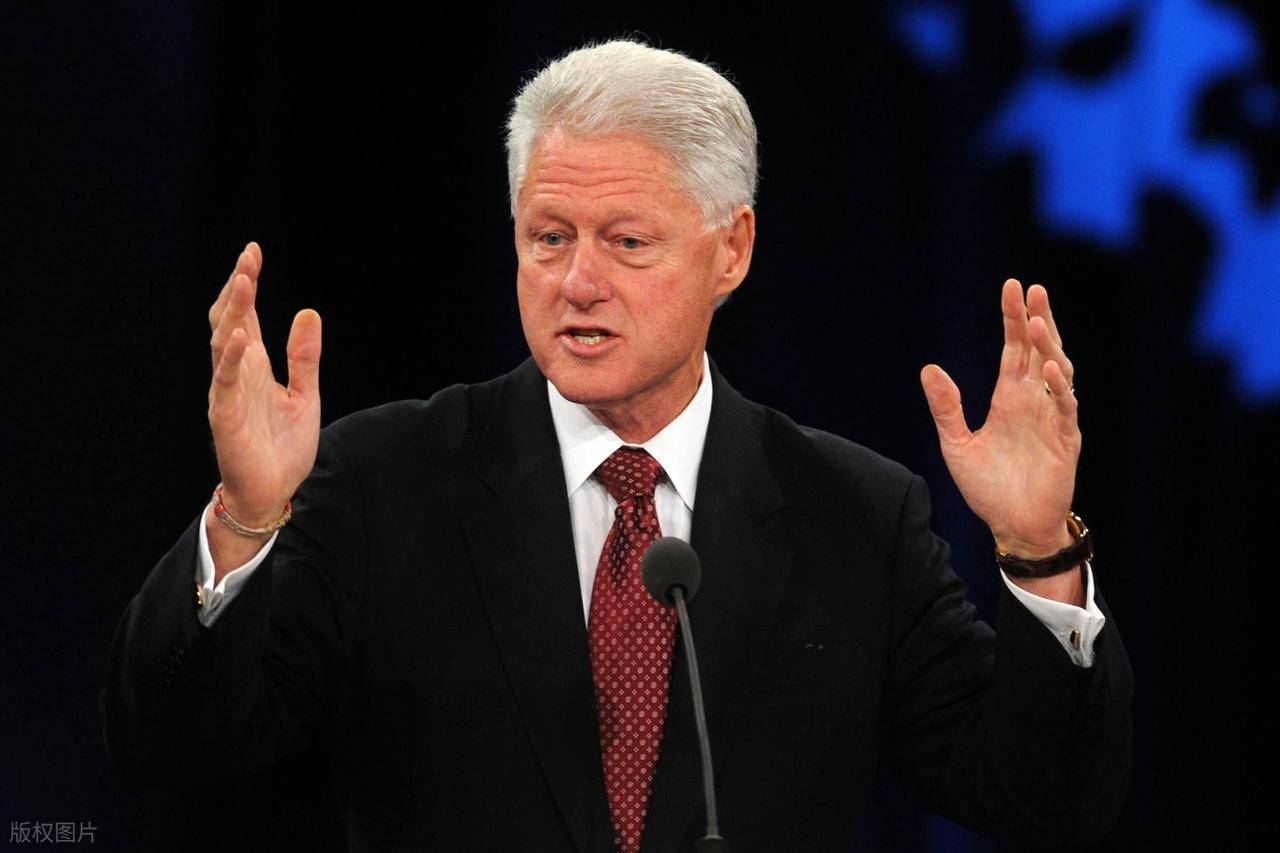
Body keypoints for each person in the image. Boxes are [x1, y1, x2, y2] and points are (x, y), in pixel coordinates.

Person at [101, 40, 1132, 852]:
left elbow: (1042, 800)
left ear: (731, 249)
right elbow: (172, 744)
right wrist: (245, 519)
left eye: (627, 242)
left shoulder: (853, 515)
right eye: (548, 238)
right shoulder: (385, 480)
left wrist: (1041, 548)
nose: (577, 283)